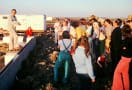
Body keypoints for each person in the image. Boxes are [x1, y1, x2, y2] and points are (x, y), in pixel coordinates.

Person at [112, 25, 132, 90]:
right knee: (125, 74)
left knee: (116, 73)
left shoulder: (126, 41)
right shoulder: (129, 39)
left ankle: (117, 88)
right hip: (128, 59)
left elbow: (121, 48)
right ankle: (126, 88)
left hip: (125, 59)